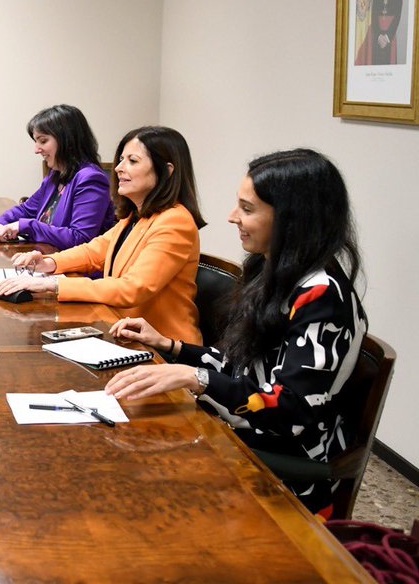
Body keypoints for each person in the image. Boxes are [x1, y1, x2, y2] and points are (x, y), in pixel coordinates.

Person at [104, 150, 367, 518]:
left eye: (247, 208)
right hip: (236, 434)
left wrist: (195, 378)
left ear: (293, 219)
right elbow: (241, 366)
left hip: (281, 467)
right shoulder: (274, 271)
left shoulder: (322, 295)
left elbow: (290, 409)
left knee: (131, 481)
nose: (232, 217)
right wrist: (170, 346)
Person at [0, 126, 205, 344]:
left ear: (167, 170)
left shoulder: (175, 221)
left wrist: (54, 285)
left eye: (132, 161)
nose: (119, 168)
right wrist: (47, 263)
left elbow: (133, 288)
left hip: (162, 348)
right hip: (122, 331)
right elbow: (93, 252)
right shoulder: (137, 216)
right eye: (121, 160)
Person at [0, 105, 116, 249]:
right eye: (36, 141)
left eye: (43, 141)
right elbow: (26, 210)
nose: (36, 150)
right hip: (48, 261)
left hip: (77, 271)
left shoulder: (91, 179)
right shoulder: (56, 175)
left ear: (67, 140)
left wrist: (26, 226)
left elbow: (80, 239)